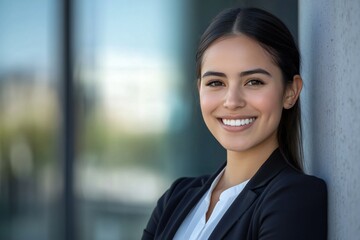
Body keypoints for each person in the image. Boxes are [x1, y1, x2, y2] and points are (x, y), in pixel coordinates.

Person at [142, 7, 327, 240]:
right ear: (199, 88)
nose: (232, 101)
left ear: (291, 91)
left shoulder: (295, 197)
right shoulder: (176, 198)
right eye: (216, 83)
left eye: (253, 82)